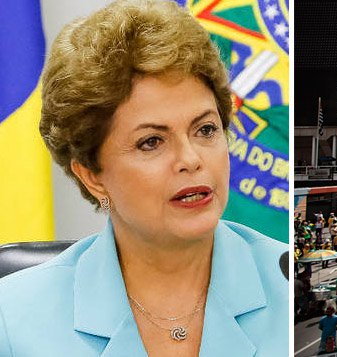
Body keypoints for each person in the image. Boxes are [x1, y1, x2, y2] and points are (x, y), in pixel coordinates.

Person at [0, 0, 288, 355]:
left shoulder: (287, 284)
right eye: (151, 141)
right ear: (92, 175)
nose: (191, 159)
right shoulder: (12, 320)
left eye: (206, 129)